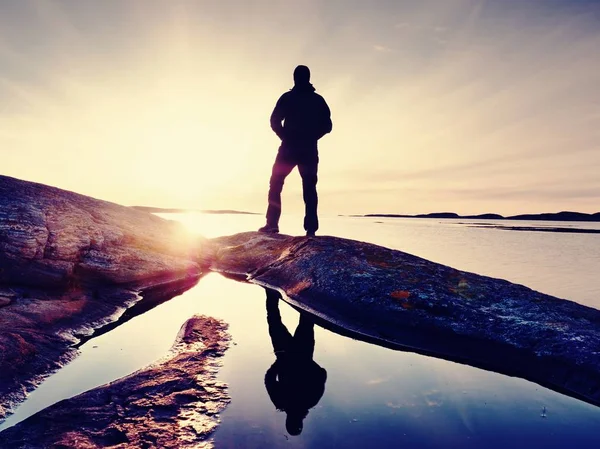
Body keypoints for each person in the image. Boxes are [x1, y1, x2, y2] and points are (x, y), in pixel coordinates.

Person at [259, 65, 332, 237]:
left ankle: (273, 224)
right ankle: (309, 229)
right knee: (305, 187)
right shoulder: (316, 100)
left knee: (279, 184)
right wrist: (312, 137)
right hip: (304, 149)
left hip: (290, 149)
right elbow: (327, 126)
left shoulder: (291, 98)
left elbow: (275, 121)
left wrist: (285, 136)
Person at [264, 289, 327, 436]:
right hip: (287, 353)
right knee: (274, 318)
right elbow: (269, 378)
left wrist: (307, 363)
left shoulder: (310, 401)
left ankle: (306, 289)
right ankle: (274, 289)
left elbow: (321, 374)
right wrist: (279, 362)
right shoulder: (281, 402)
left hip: (299, 353)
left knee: (305, 319)